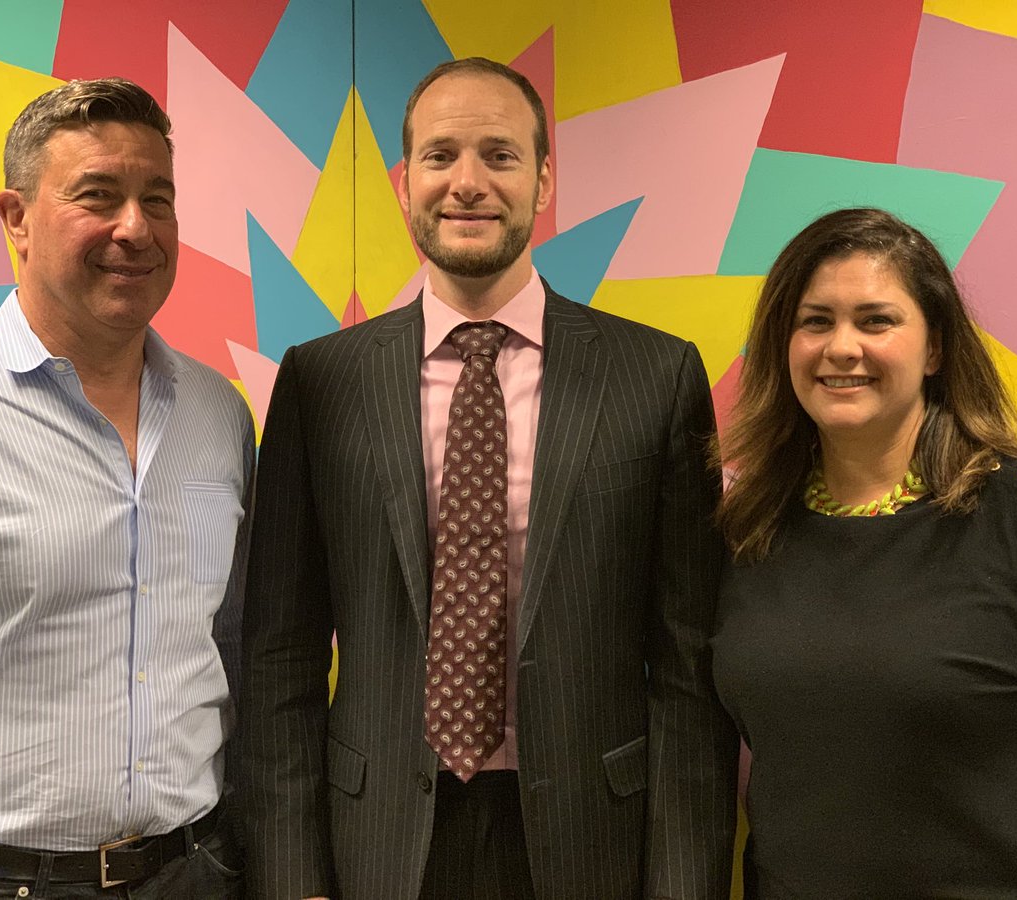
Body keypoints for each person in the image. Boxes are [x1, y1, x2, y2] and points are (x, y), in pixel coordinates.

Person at [238, 57, 738, 900]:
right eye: (440, 156)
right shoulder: (321, 382)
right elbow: (280, 655)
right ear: (404, 182)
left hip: (591, 838)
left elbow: (689, 670)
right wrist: (293, 879)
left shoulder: (655, 376)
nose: (467, 183)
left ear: (544, 182)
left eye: (500, 155)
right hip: (377, 841)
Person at [712, 207, 1017, 897]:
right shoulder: (751, 526)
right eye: (815, 321)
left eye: (875, 321)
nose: (841, 347)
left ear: (934, 349)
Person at [0, 78, 253, 899]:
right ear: (16, 218)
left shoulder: (219, 413)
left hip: (195, 869)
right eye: (98, 196)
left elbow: (234, 644)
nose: (136, 228)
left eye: (159, 199)